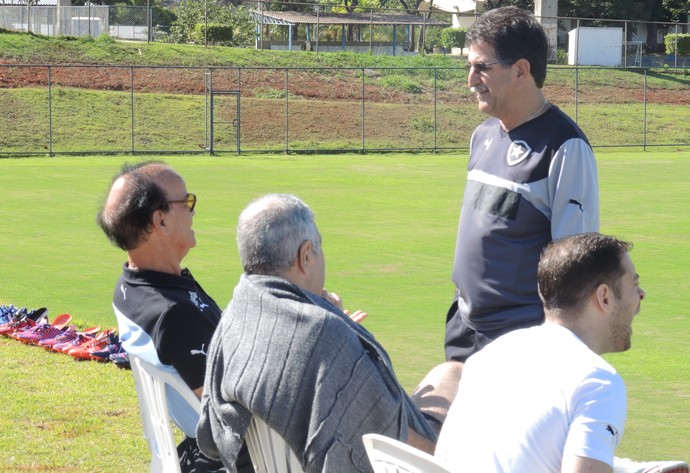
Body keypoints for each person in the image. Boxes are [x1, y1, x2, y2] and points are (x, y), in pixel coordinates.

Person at [196, 193, 462, 473]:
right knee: (461, 381)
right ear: (306, 255)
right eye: (320, 249)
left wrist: (332, 316)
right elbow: (390, 439)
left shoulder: (234, 318)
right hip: (395, 462)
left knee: (450, 372)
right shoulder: (324, 335)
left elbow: (212, 439)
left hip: (270, 464)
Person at [444, 5, 600, 363]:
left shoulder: (565, 146)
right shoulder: (482, 135)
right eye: (470, 67)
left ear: (521, 70)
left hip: (519, 340)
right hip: (464, 327)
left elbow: (574, 266)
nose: (471, 79)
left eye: (482, 67)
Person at [436, 233, 646, 472]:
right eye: (634, 285)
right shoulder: (598, 382)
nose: (641, 295)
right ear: (604, 297)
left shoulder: (488, 356)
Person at [97, 162, 254, 473]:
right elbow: (235, 412)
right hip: (250, 456)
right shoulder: (174, 314)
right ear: (161, 220)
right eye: (188, 202)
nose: (193, 211)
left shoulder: (135, 287)